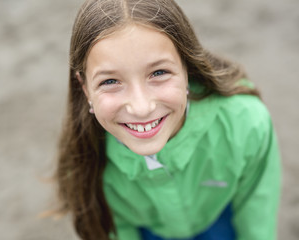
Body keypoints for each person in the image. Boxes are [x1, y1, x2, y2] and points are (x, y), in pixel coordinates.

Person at [54, 0, 281, 239]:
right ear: (86, 88)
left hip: (220, 220)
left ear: (186, 67)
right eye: (110, 81)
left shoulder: (246, 123)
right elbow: (116, 230)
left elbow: (258, 214)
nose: (141, 108)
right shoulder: (85, 159)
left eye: (159, 73)